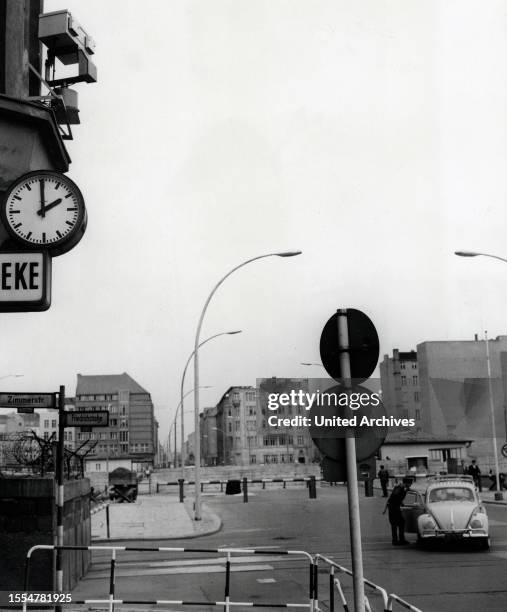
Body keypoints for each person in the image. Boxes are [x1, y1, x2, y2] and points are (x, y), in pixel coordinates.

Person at [383, 477, 412, 546]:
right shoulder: (400, 487)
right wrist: (400, 501)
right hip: (393, 508)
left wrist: (401, 502)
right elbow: (395, 496)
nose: (410, 485)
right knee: (397, 523)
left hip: (393, 506)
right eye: (410, 483)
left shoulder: (400, 487)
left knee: (398, 523)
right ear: (407, 483)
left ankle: (398, 540)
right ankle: (397, 540)